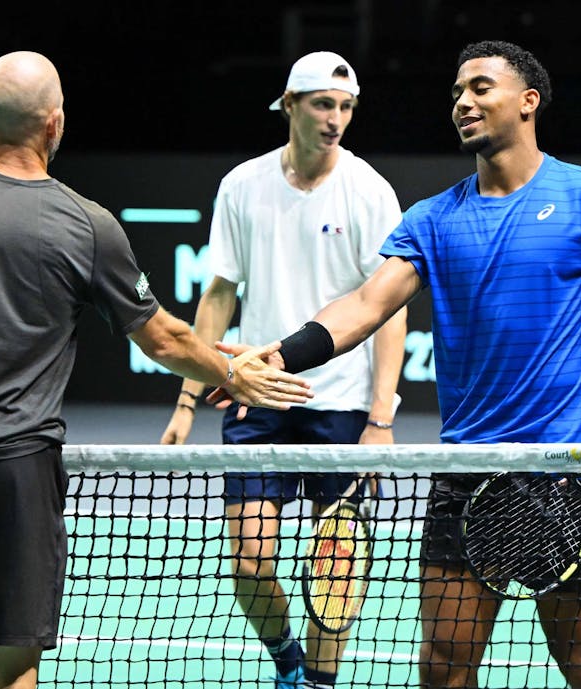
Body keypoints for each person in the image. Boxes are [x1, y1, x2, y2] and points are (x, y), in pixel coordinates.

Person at [0, 51, 311, 689]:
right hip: (22, 475)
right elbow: (165, 338)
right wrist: (232, 373)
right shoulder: (90, 225)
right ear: (56, 125)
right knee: (11, 669)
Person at [221, 40, 581, 689]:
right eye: (457, 91)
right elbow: (366, 305)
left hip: (565, 473)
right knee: (444, 666)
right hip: (467, 476)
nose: (463, 101)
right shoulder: (433, 218)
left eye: (481, 87)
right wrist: (279, 354)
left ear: (528, 101)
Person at [159, 51, 406, 689]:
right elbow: (218, 298)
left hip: (343, 407)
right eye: (324, 104)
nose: (336, 119)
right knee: (250, 564)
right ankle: (288, 662)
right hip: (257, 400)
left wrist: (381, 418)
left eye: (347, 107)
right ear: (290, 104)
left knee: (338, 566)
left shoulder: (371, 191)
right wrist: (187, 402)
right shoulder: (243, 185)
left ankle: (320, 683)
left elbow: (388, 310)